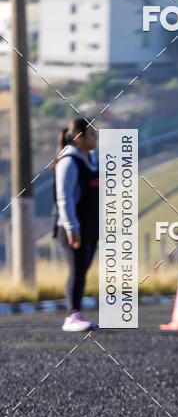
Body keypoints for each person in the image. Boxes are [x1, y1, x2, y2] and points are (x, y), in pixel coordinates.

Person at [52, 117, 99, 332]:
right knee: (77, 269)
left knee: (83, 269)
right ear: (79, 137)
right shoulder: (69, 161)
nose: (95, 137)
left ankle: (77, 314)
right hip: (73, 228)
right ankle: (73, 316)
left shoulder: (92, 159)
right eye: (92, 134)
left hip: (90, 226)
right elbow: (65, 196)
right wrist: (72, 228)